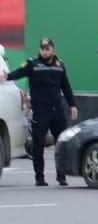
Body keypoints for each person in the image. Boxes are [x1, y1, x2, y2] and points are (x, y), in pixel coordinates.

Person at [1, 37, 78, 186]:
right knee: (38, 144)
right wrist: (6, 77)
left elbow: (66, 86)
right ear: (40, 50)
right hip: (40, 111)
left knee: (61, 143)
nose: (44, 51)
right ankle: (39, 178)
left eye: (47, 48)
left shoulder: (59, 65)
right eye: (42, 48)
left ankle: (61, 176)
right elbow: (19, 72)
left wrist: (72, 105)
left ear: (53, 50)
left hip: (57, 111)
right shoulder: (32, 64)